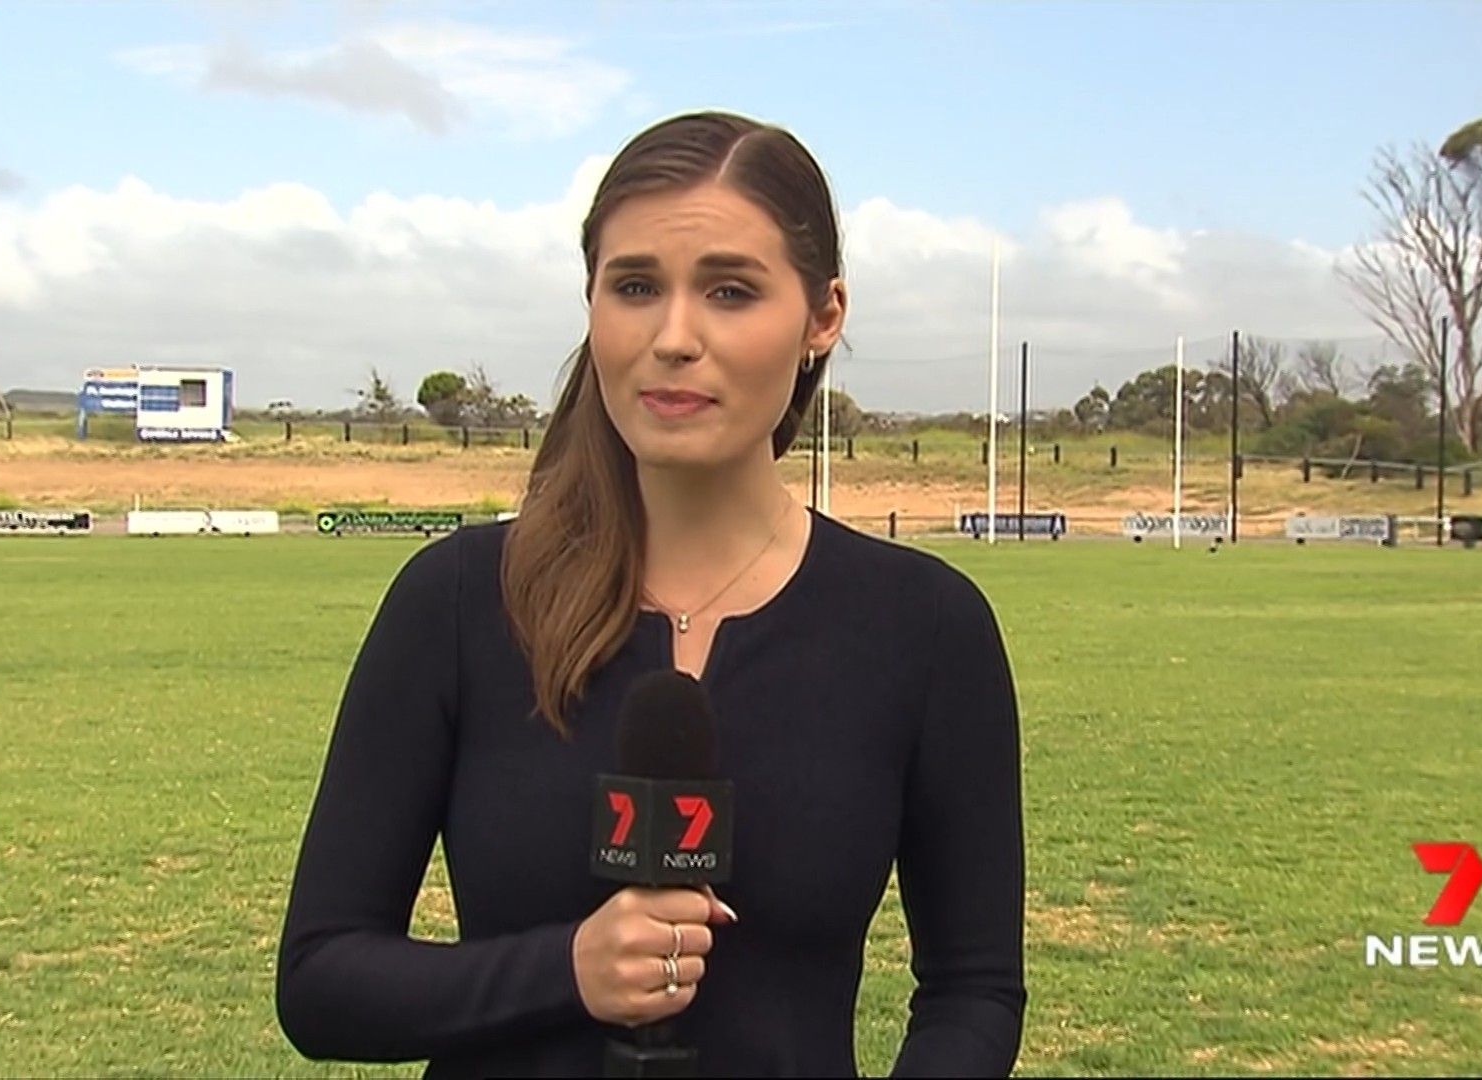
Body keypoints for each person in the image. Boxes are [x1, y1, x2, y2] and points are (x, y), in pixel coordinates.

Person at [276, 110, 1025, 1077]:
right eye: (635, 287)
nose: (674, 337)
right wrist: (566, 969)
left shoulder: (925, 628)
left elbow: (972, 990)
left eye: (730, 291)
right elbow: (322, 979)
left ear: (823, 316)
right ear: (592, 302)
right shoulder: (457, 602)